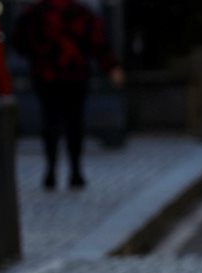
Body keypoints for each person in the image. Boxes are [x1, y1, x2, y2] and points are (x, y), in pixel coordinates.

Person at [13, 0, 124, 190]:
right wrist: (111, 66)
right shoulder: (79, 13)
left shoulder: (36, 13)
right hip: (73, 75)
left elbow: (19, 42)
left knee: (51, 122)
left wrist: (37, 56)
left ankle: (52, 170)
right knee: (73, 122)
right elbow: (98, 42)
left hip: (48, 76)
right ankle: (74, 170)